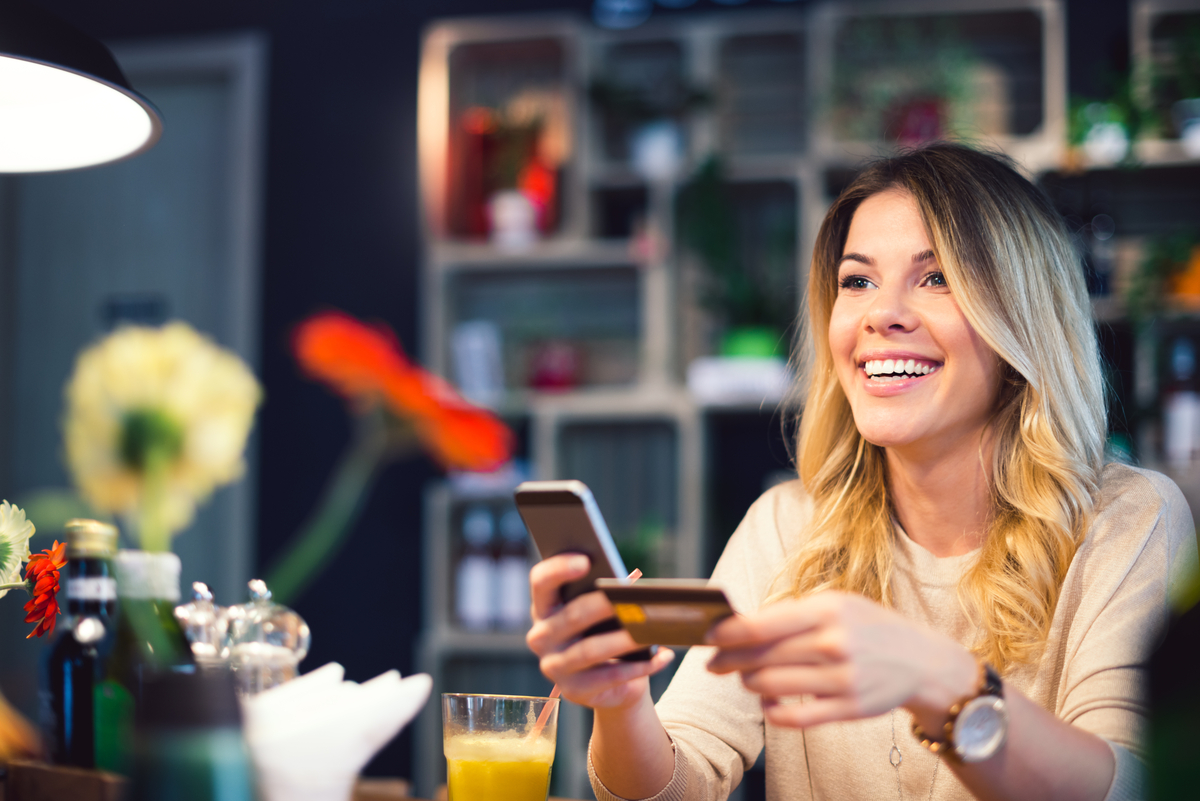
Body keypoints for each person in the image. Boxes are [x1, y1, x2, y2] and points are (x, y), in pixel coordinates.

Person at [525, 143, 1198, 801]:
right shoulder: (789, 527)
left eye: (936, 277)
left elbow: (1133, 784)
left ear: (1021, 318)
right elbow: (679, 782)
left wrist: (938, 679)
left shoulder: (1127, 518)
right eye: (858, 280)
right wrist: (621, 703)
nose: (882, 314)